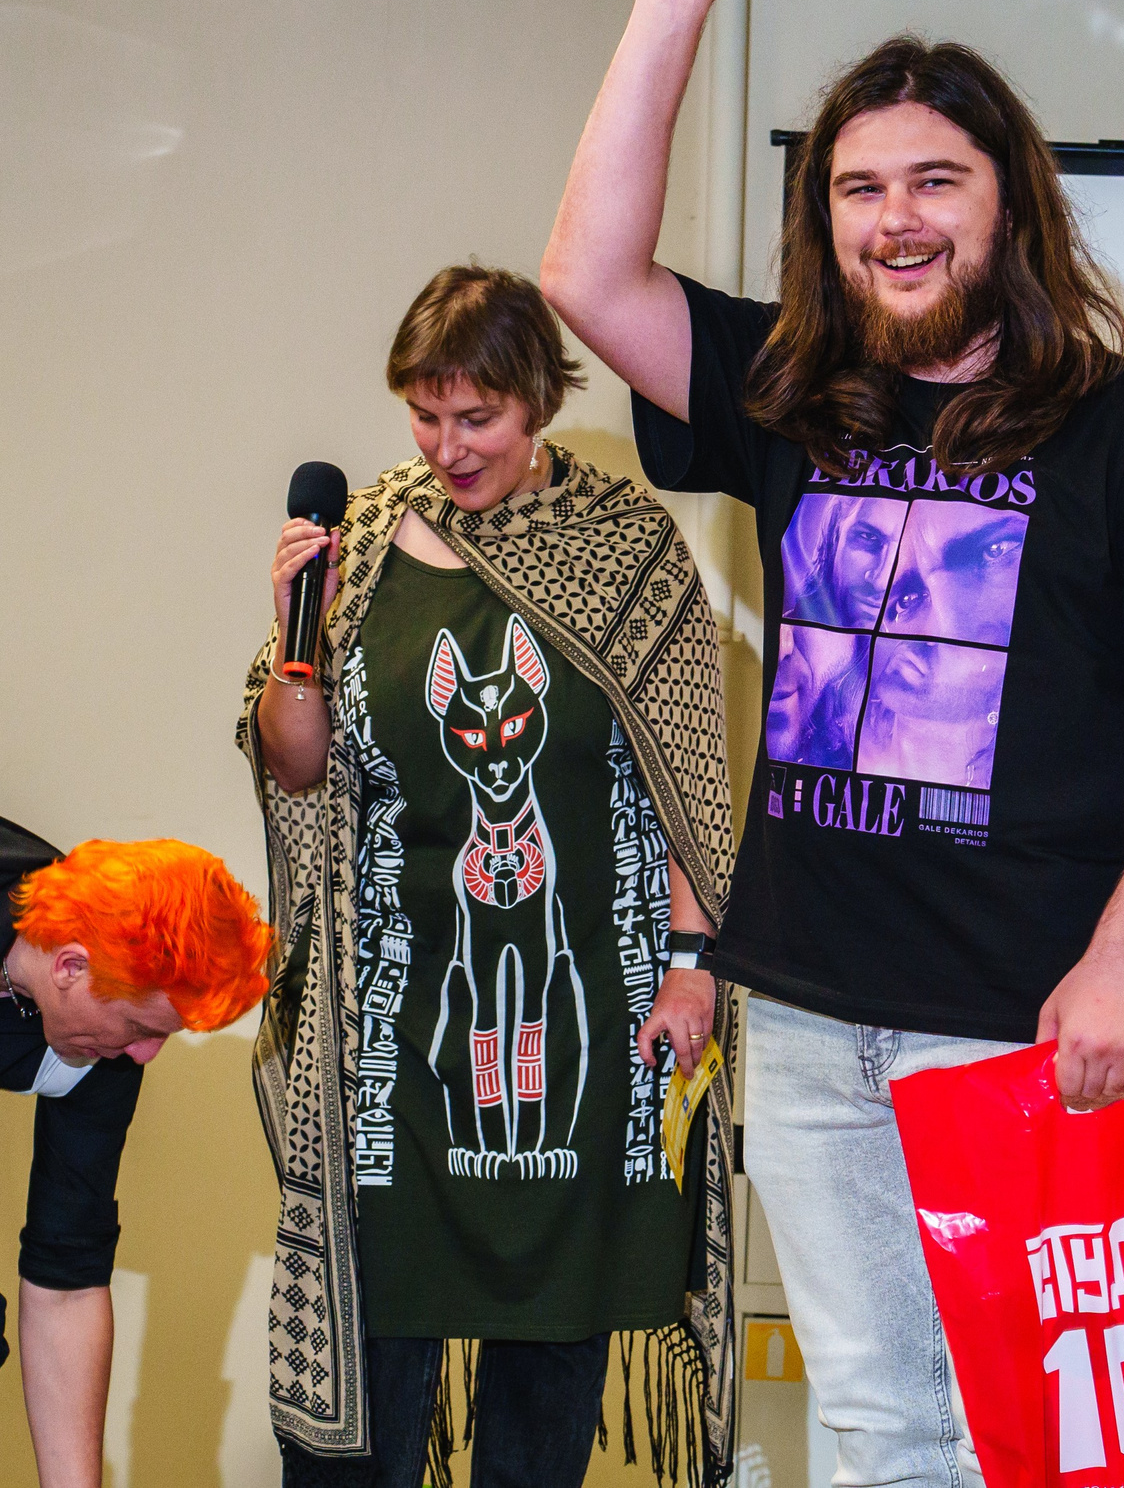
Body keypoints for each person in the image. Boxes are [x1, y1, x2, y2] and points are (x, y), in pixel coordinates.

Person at [539, 0, 1124, 1488]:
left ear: (1008, 199)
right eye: (861, 188)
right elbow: (587, 274)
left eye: (934, 180)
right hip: (805, 1011)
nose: (895, 217)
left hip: (1021, 1026)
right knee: (879, 1424)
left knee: (1024, 1435)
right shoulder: (801, 386)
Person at [239, 266, 739, 1486]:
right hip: (396, 1012)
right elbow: (296, 769)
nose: (449, 446)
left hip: (582, 1014)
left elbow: (687, 777)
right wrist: (292, 638)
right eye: (426, 413)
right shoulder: (355, 542)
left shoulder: (624, 547)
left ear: (542, 401)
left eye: (479, 419)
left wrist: (689, 967)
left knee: (545, 1376)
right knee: (371, 1365)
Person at [0, 818, 270, 1488]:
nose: (147, 1055)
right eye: (144, 1029)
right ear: (70, 967)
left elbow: (66, 1274)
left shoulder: (100, 1036)